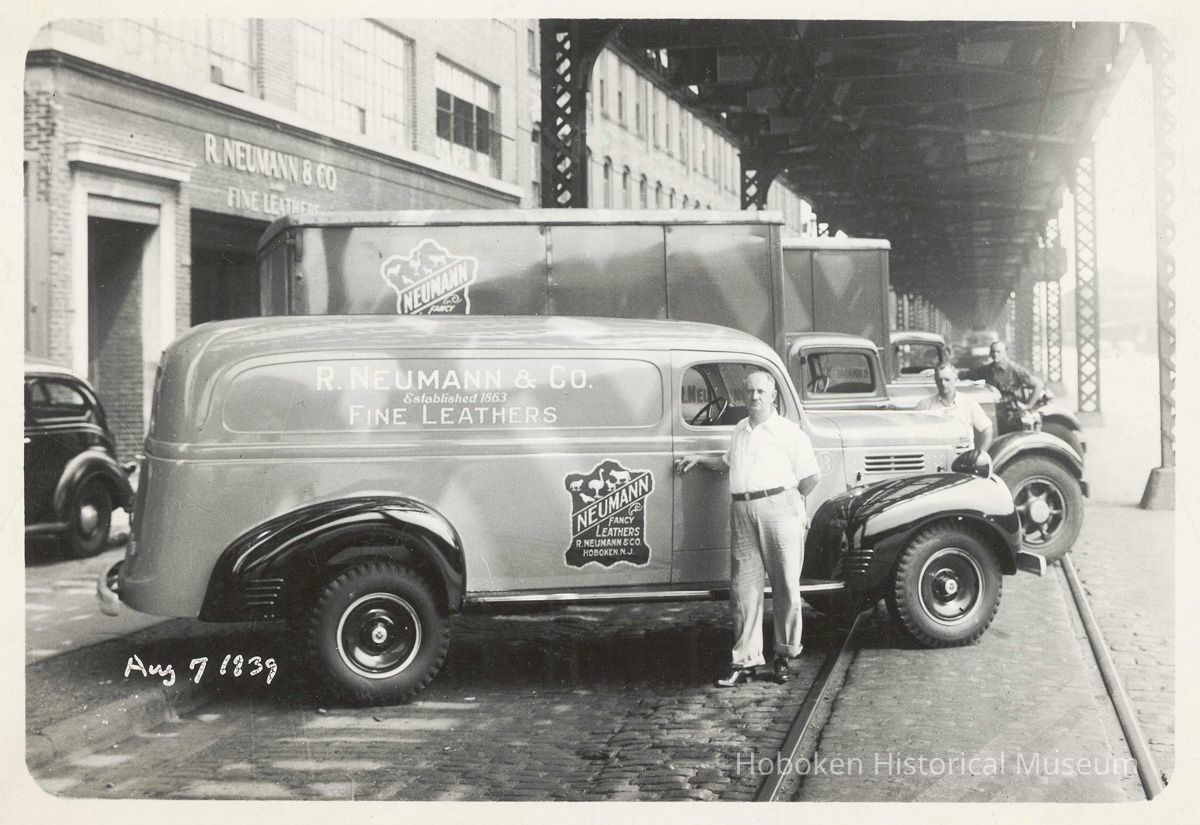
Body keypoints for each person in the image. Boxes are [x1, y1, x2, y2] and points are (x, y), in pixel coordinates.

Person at [675, 370, 821, 687]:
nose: (754, 397)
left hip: (778, 508)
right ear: (743, 396)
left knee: (785, 586)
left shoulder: (788, 431)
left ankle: (783, 656)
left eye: (760, 392)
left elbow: (811, 476)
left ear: (773, 397)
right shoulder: (740, 430)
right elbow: (729, 462)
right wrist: (700, 458)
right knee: (744, 589)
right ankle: (745, 662)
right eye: (749, 392)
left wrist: (792, 502)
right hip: (742, 510)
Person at [917, 362, 994, 450]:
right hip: (936, 457)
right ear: (935, 380)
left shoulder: (967, 402)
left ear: (955, 379)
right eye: (939, 379)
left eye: (947, 379)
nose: (943, 383)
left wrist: (980, 455)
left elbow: (987, 429)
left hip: (964, 457)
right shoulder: (925, 406)